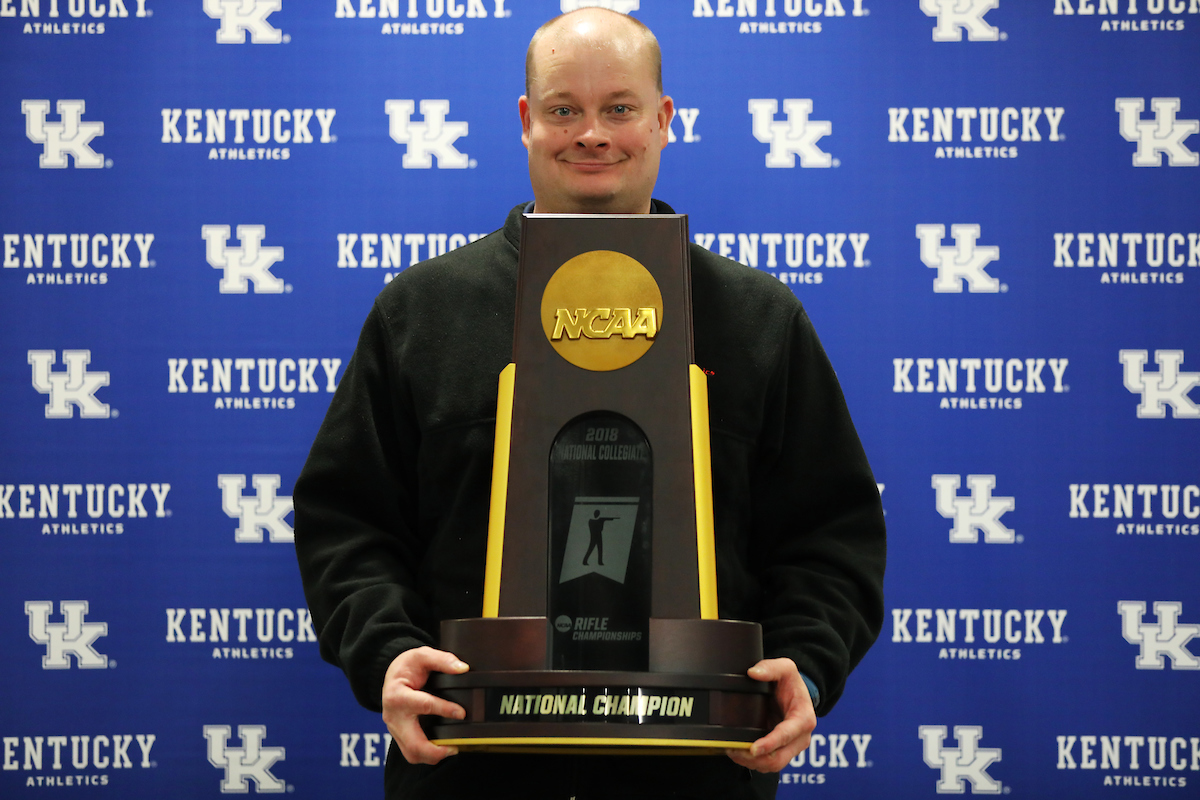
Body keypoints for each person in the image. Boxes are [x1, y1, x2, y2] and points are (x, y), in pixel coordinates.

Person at [294, 8, 885, 799]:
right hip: (471, 770)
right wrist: (387, 653)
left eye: (619, 108)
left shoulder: (758, 318)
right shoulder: (423, 311)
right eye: (564, 108)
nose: (592, 134)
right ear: (525, 121)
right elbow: (349, 521)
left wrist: (807, 662)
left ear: (664, 119)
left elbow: (829, 536)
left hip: (697, 775)